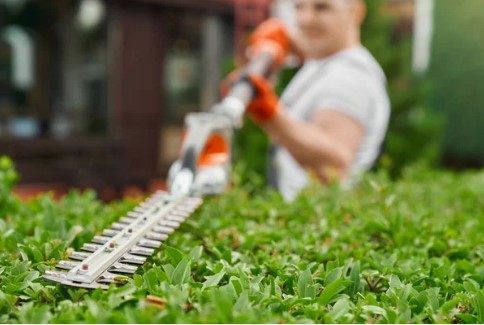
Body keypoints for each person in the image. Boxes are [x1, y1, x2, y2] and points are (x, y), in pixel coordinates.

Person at [238, 0, 390, 201]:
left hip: (317, 219)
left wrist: (268, 113)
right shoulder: (328, 60)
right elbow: (311, 51)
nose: (305, 19)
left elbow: (334, 165)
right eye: (299, 7)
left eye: (322, 7)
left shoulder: (349, 77)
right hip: (305, 215)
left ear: (355, 12)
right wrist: (285, 42)